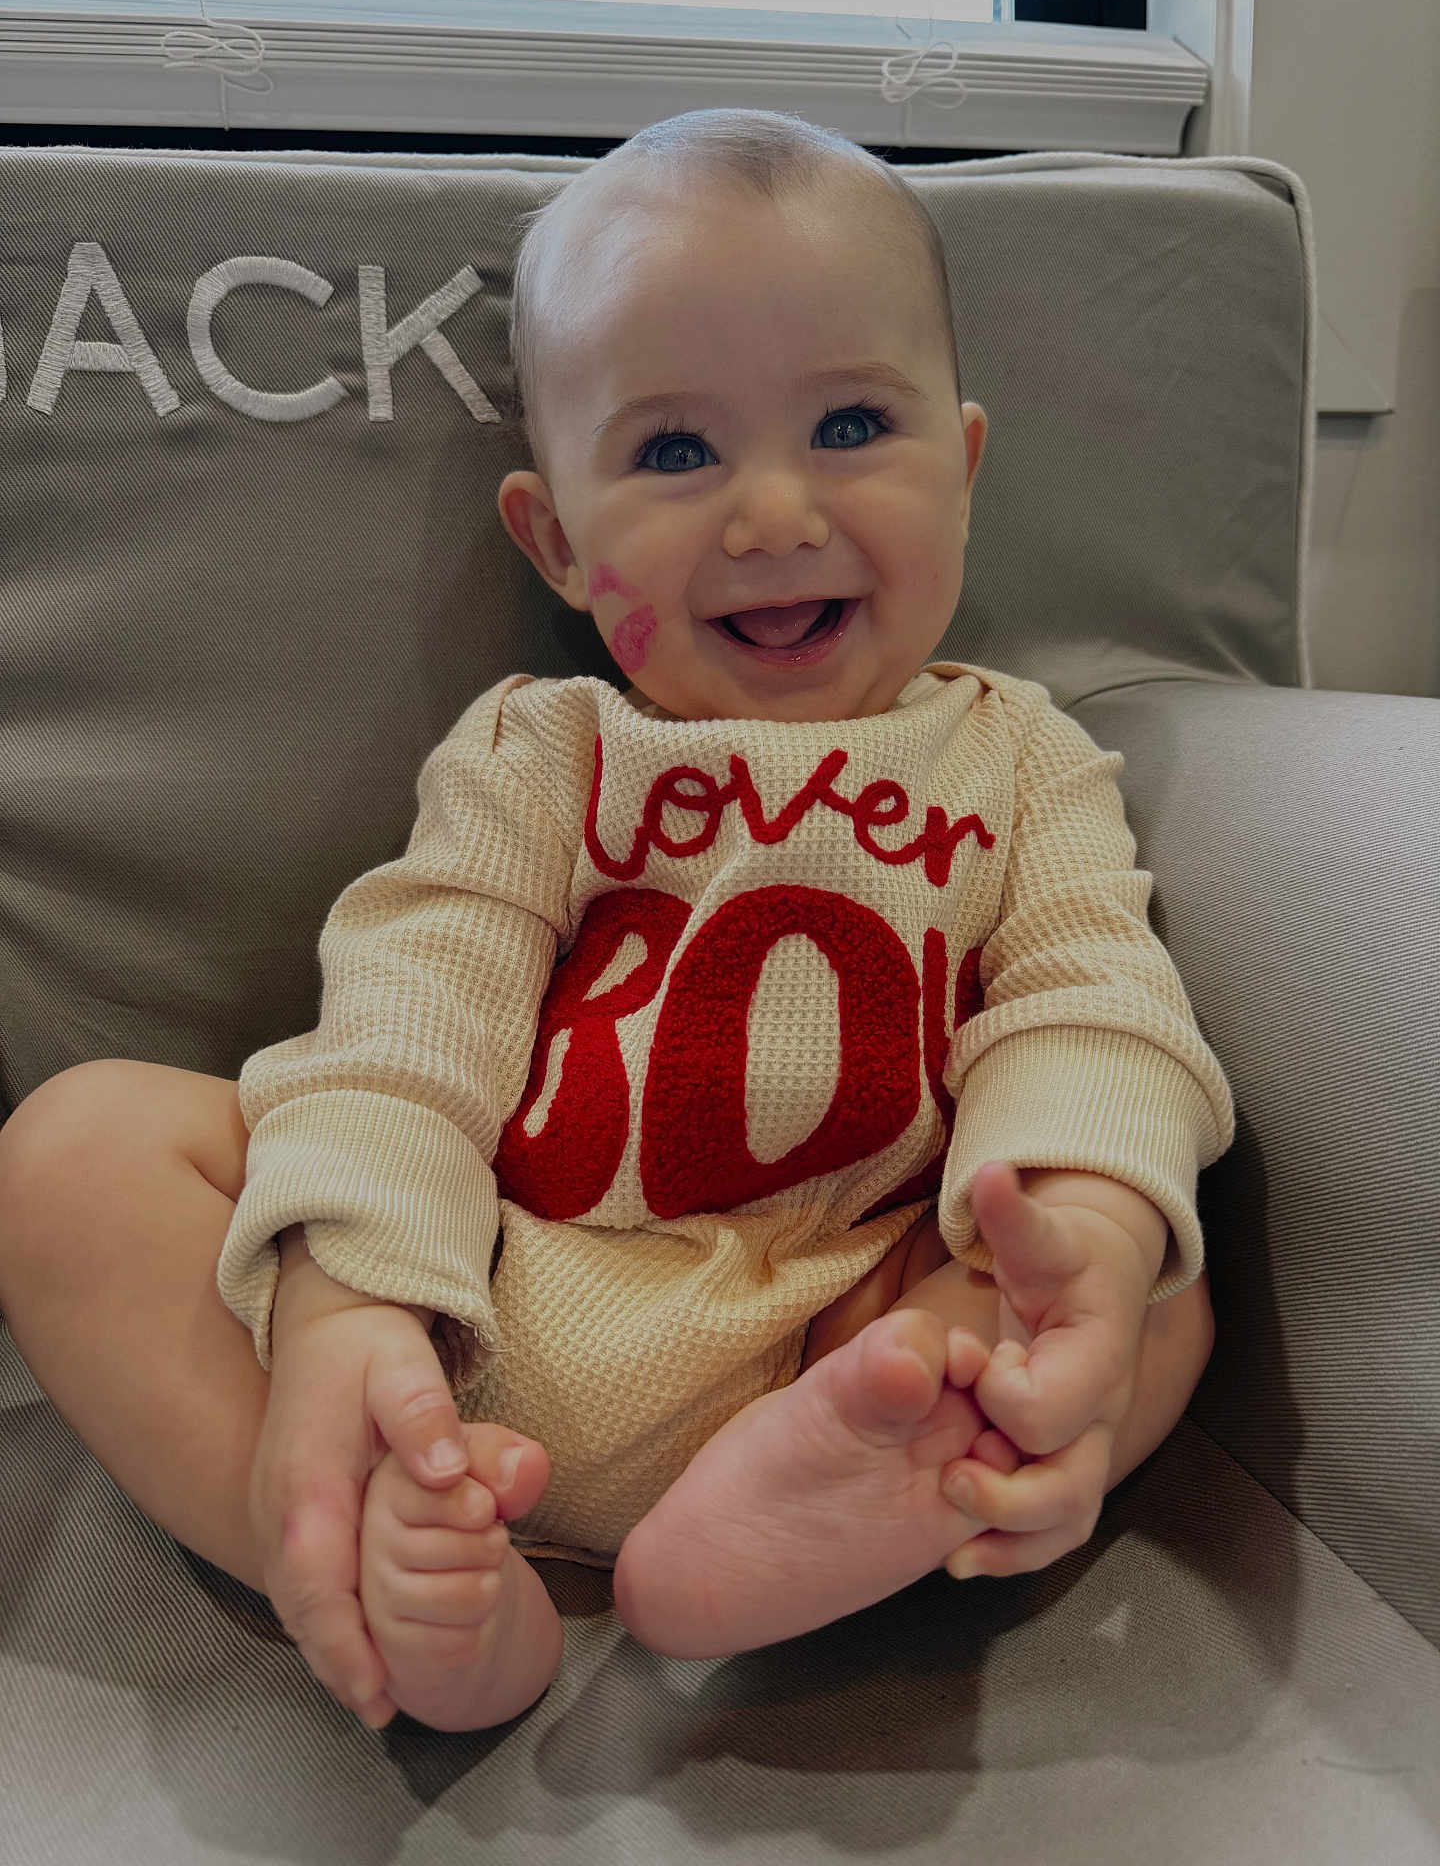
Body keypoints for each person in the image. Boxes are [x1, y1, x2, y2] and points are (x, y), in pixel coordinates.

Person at [0, 109, 1234, 1740]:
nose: (774, 511)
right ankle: (358, 1536)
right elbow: (406, 1027)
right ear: (558, 543)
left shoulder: (1022, 758)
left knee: (1148, 1284)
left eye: (854, 422)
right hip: (480, 1313)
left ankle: (778, 1534)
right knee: (76, 1149)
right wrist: (355, 1303)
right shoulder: (543, 754)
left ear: (967, 462)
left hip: (845, 1345)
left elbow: (1093, 1001)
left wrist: (1079, 1221)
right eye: (674, 452)